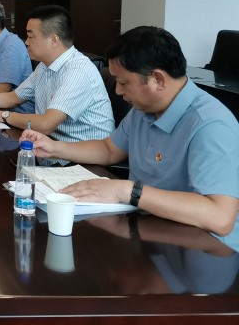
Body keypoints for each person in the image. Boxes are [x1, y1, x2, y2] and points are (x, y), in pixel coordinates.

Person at [22, 26, 239, 251]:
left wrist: (127, 191)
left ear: (158, 79)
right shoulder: (144, 110)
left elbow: (220, 218)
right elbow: (109, 149)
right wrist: (55, 148)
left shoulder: (210, 125)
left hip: (204, 249)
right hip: (150, 229)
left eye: (124, 82)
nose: (117, 91)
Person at [0, 4, 114, 144]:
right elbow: (11, 98)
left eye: (31, 36)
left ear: (54, 40)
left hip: (80, 159)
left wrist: (4, 116)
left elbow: (45, 124)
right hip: (49, 147)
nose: (26, 42)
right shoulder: (44, 66)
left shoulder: (77, 71)